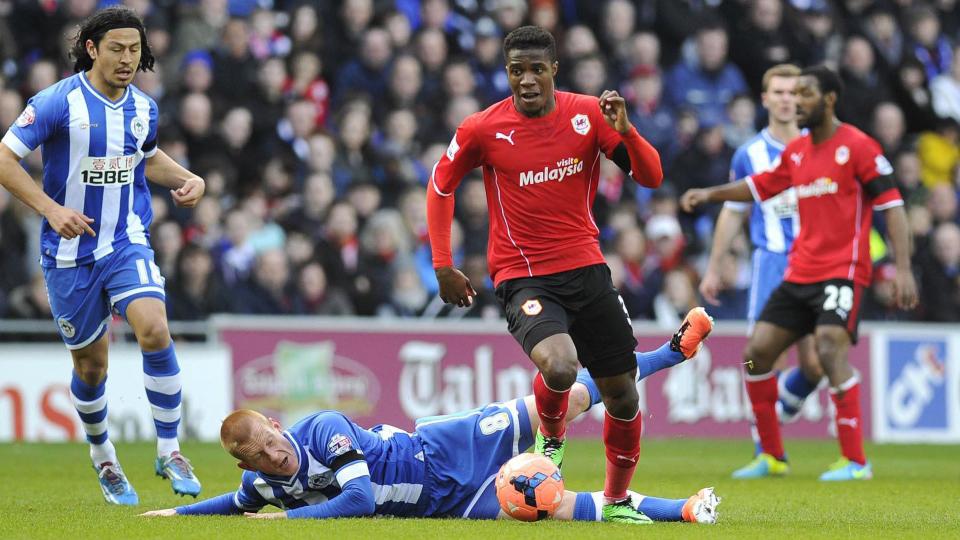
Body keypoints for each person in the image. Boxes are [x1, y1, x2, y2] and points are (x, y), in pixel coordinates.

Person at [424, 25, 712, 521]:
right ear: (508, 73)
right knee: (559, 365)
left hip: (587, 269)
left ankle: (618, 501)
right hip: (523, 275)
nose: (528, 80)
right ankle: (551, 439)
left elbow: (651, 176)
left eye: (537, 69)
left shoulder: (587, 116)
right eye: (517, 70)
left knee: (622, 394)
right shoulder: (482, 128)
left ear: (554, 69)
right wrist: (442, 263)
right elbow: (440, 185)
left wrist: (626, 131)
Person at [140, 331, 721, 524]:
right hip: (448, 505)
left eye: (271, 439)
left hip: (444, 446)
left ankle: (669, 351)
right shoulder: (263, 485)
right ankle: (684, 511)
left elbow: (361, 498)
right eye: (262, 458)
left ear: (274, 422)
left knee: (564, 403)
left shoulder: (320, 429)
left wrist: (285, 521)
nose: (275, 455)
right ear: (249, 466)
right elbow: (235, 506)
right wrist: (175, 515)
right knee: (557, 506)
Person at [0, 7, 205, 504]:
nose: (127, 59)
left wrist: (186, 178)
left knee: (155, 328)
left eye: (134, 50)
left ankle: (170, 448)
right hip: (69, 254)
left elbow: (146, 156)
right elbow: (5, 157)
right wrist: (50, 210)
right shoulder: (55, 103)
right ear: (92, 48)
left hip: (125, 239)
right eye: (117, 48)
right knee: (92, 369)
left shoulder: (144, 108)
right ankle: (103, 456)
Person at [681, 66, 918, 481]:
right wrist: (709, 194)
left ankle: (855, 461)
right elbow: (757, 188)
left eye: (805, 94)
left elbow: (892, 208)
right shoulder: (797, 153)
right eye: (792, 93)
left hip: (843, 271)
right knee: (756, 353)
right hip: (798, 272)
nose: (798, 102)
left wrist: (903, 267)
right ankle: (771, 455)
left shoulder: (859, 147)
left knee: (827, 348)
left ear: (828, 99)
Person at [697, 64, 825, 466]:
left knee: (817, 364)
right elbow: (733, 212)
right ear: (765, 98)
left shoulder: (821, 144)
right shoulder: (749, 153)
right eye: (779, 91)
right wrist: (715, 265)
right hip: (771, 263)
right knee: (761, 357)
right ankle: (767, 449)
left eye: (794, 92)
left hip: (818, 262)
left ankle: (779, 410)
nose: (787, 98)